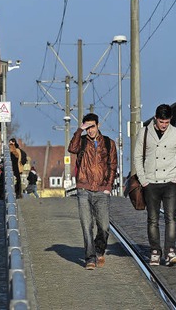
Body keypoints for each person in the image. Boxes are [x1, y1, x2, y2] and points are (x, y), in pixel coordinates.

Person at [133, 104, 176, 266]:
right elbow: (137, 157)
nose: (164, 125)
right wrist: (143, 180)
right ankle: (155, 251)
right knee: (153, 219)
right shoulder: (144, 133)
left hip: (170, 182)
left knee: (171, 218)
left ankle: (170, 251)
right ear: (155, 118)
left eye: (167, 122)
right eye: (161, 121)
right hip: (151, 182)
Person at [68, 113, 117, 270]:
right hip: (84, 188)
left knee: (104, 226)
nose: (90, 130)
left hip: (102, 190)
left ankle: (99, 250)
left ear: (98, 126)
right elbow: (72, 148)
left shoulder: (109, 143)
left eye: (92, 127)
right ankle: (90, 258)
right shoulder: (81, 142)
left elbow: (112, 165)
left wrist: (108, 187)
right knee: (86, 223)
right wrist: (78, 131)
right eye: (87, 127)